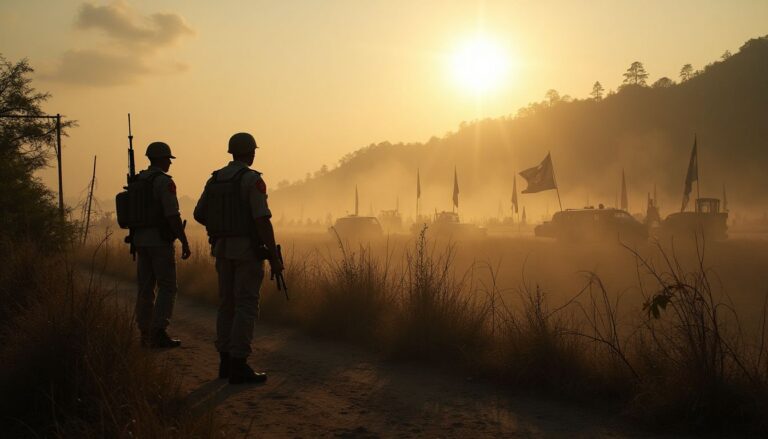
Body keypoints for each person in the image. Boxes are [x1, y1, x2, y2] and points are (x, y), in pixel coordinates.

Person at [193, 132, 282, 384]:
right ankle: (239, 363)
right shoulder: (252, 180)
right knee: (246, 306)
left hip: (221, 249)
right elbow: (262, 219)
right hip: (246, 251)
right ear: (251, 152)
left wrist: (222, 224)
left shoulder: (215, 179)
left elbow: (199, 214)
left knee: (227, 304)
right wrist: (273, 255)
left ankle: (225, 362)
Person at [133, 141, 191, 348]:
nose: (169, 163)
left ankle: (145, 331)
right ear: (161, 159)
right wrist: (184, 240)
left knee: (145, 288)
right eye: (168, 159)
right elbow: (172, 215)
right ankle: (158, 331)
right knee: (167, 287)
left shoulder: (138, 179)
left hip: (140, 240)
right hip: (159, 241)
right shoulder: (164, 182)